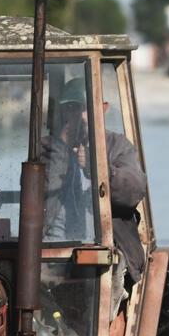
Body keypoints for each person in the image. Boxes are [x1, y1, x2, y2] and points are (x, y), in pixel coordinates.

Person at [43, 78, 148, 311]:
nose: (79, 114)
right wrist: (61, 148)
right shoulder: (49, 149)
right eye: (72, 107)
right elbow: (37, 191)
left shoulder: (118, 146)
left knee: (102, 276)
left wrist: (95, 166)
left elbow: (133, 191)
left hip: (108, 247)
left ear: (103, 108)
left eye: (84, 107)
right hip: (53, 246)